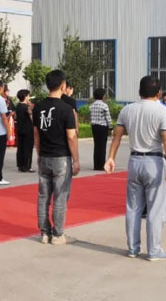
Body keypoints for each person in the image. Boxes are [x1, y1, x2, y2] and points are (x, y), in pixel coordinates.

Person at [105, 76, 166, 261]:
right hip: (154, 161)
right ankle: (154, 250)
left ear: (139, 91)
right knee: (155, 209)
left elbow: (117, 136)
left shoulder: (127, 110)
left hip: (134, 161)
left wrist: (111, 157)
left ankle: (133, 248)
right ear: (159, 93)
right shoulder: (162, 111)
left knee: (133, 208)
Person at [33, 70, 80, 245]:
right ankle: (58, 234)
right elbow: (71, 136)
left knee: (43, 197)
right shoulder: (66, 109)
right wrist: (76, 160)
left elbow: (36, 134)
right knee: (60, 197)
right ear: (63, 85)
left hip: (44, 156)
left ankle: (45, 233)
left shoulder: (38, 107)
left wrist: (39, 153)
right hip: (61, 158)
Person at [90, 88, 112, 171]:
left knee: (96, 145)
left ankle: (96, 165)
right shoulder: (104, 105)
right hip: (102, 127)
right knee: (102, 146)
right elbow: (108, 118)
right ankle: (101, 165)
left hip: (94, 127)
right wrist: (111, 128)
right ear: (102, 96)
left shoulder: (92, 105)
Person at [15, 89, 35, 172]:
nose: (29, 97)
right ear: (25, 96)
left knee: (20, 147)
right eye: (28, 95)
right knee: (28, 148)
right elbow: (31, 117)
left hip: (20, 128)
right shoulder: (26, 107)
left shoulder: (18, 106)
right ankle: (27, 166)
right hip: (28, 130)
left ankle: (20, 165)